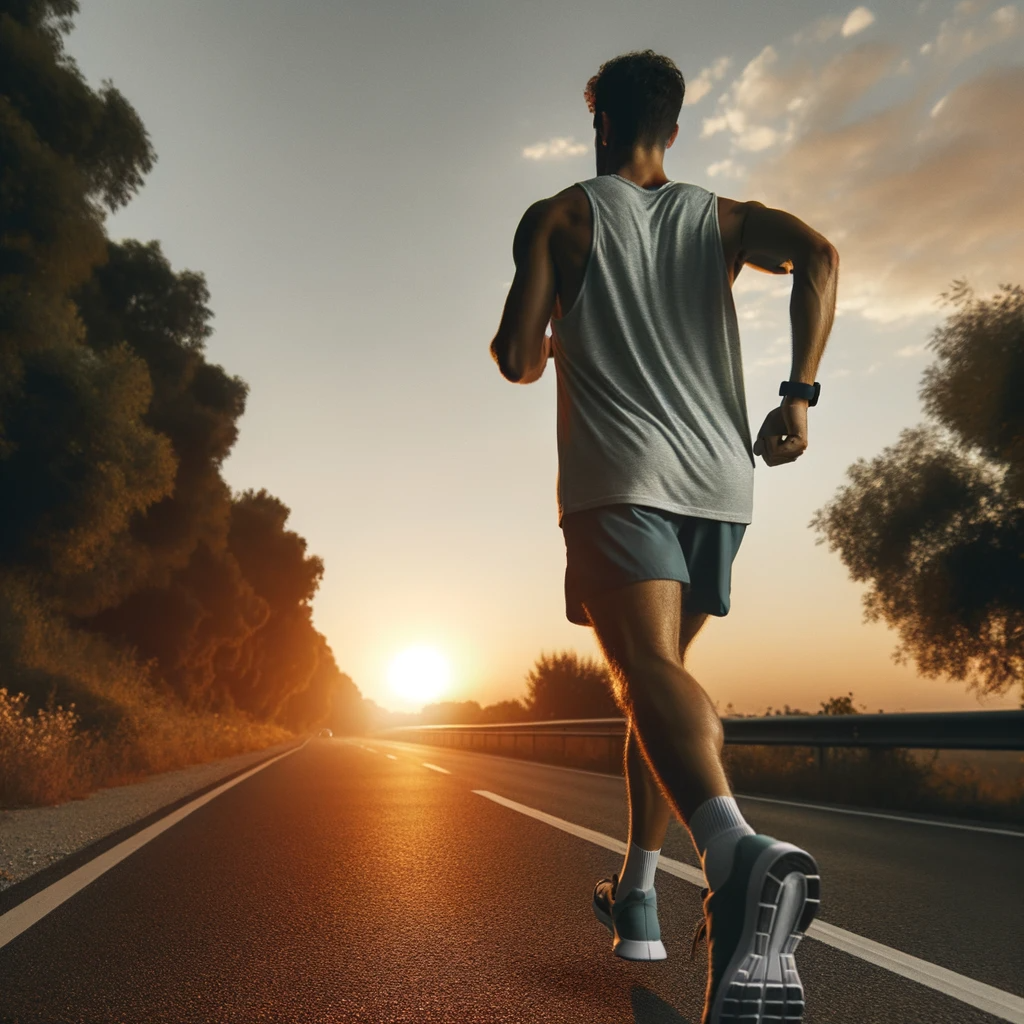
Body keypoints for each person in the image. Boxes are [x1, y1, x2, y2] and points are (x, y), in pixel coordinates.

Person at [488, 49, 839, 1024]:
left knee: (644, 669)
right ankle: (639, 890)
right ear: (674, 130)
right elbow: (819, 255)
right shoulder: (719, 219)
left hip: (620, 476)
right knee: (655, 683)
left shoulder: (559, 216)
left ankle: (734, 858)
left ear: (595, 121)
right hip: (720, 486)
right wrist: (798, 398)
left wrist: (555, 329)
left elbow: (517, 358)